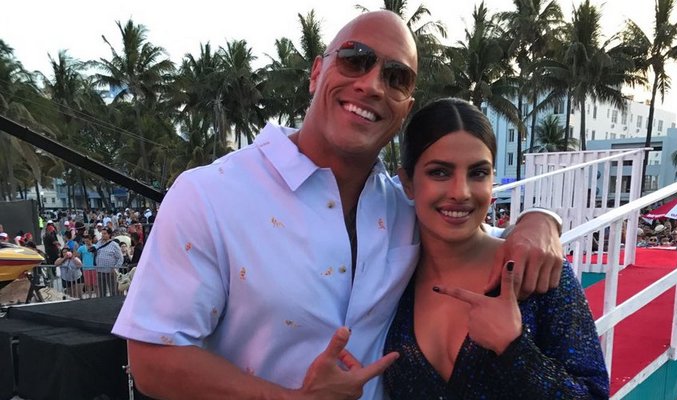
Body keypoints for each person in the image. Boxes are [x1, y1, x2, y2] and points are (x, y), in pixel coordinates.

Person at [112, 11, 564, 399]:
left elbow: (478, 235)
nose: (371, 85)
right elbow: (152, 359)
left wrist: (540, 221)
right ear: (316, 72)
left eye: (396, 77)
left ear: (405, 107)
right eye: (355, 59)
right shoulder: (209, 194)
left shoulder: (404, 206)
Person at [383, 98, 608, 399]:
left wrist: (514, 350)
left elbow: (593, 394)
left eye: (478, 173)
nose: (461, 192)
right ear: (408, 183)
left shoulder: (535, 271)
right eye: (439, 172)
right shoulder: (392, 282)